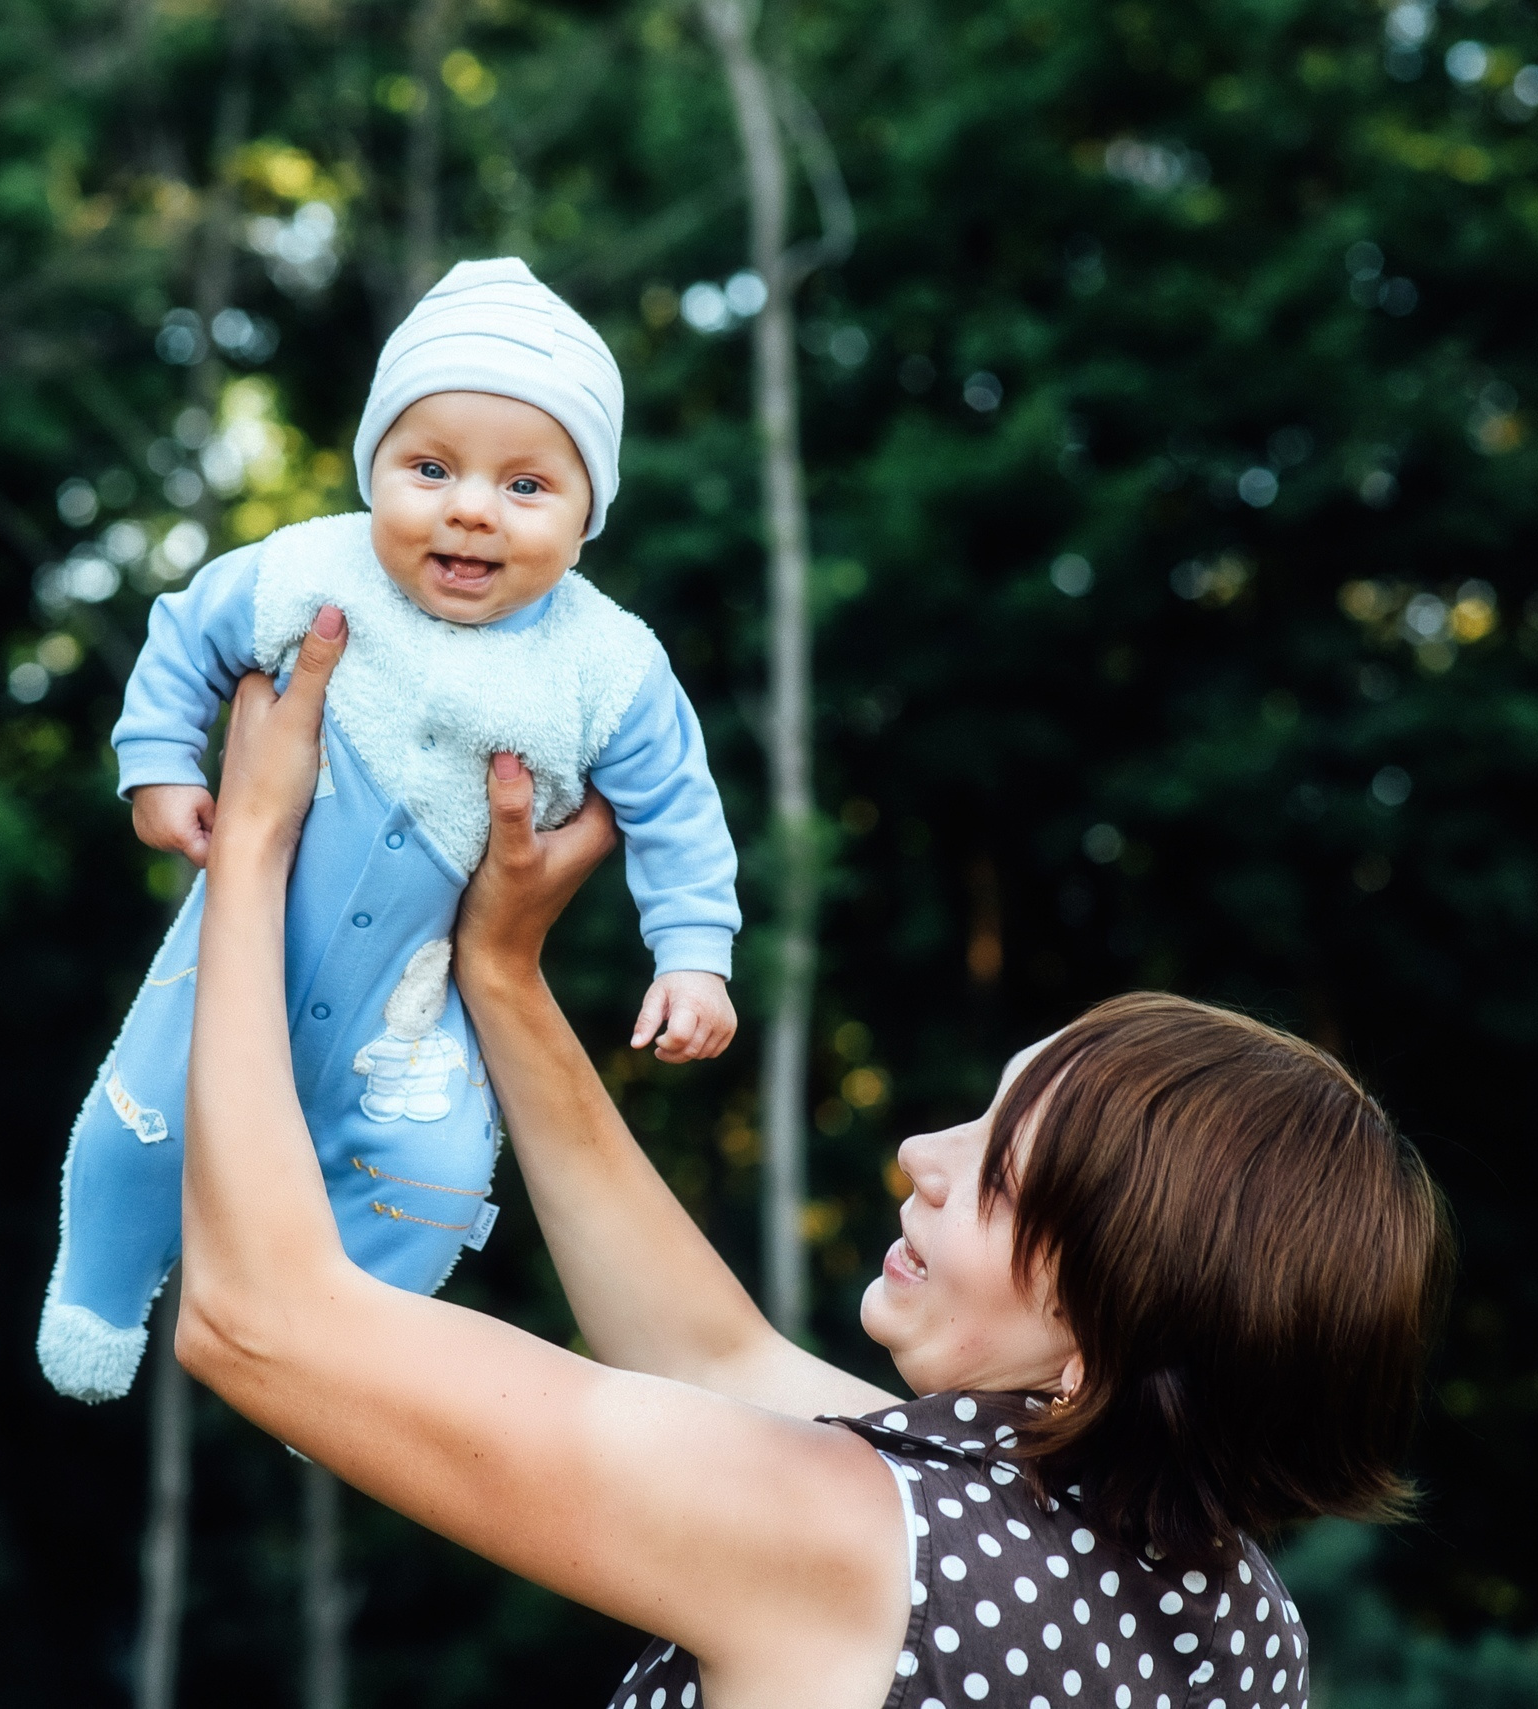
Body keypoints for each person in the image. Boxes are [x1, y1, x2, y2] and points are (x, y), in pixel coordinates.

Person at [172, 614, 1452, 1709]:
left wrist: (255, 845)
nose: (920, 1153)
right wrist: (503, 977)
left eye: (1001, 1173)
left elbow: (260, 1320)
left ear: (1116, 1325)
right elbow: (712, 1358)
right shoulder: (1238, 1623)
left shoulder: (857, 1540)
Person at [38, 257, 742, 1403]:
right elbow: (185, 636)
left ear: (586, 516)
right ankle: (97, 1294)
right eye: (430, 468)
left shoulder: (608, 664)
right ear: (373, 471)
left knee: (435, 1173)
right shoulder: (308, 569)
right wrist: (157, 761)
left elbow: (676, 808)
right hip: (235, 955)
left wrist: (693, 955)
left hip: (412, 1012)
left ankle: (347, 1376)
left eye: (526, 486)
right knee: (139, 1125)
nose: (469, 506)